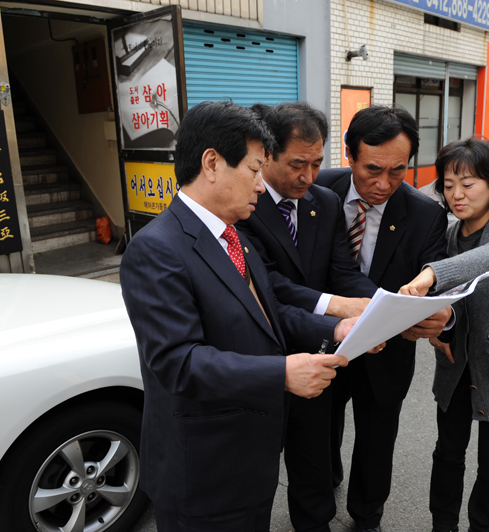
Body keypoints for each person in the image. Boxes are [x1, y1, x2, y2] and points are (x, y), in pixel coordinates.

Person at [120, 101, 358, 532]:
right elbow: (179, 361)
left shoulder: (233, 237)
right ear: (212, 163)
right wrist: (282, 373)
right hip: (204, 471)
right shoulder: (157, 249)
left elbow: (270, 315)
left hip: (250, 459)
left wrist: (336, 326)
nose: (260, 186)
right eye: (253, 170)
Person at [236, 101, 378, 532]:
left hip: (317, 360)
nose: (309, 177)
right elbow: (268, 283)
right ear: (267, 156)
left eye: (317, 163)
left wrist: (381, 305)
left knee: (314, 468)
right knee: (253, 474)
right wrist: (334, 308)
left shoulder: (325, 203)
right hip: (264, 359)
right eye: (298, 164)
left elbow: (343, 272)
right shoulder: (243, 205)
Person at [399, 137, 489, 532]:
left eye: (468, 183)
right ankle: (442, 525)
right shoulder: (448, 235)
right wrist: (439, 325)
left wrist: (432, 272)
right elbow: (453, 304)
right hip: (455, 364)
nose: (456, 195)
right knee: (447, 454)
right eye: (448, 185)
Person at [316, 105, 451, 532]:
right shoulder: (320, 190)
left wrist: (441, 315)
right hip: (324, 341)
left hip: (387, 350)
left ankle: (366, 515)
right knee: (319, 432)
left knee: (376, 442)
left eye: (398, 171)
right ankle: (324, 488)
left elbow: (438, 279)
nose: (384, 183)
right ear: (350, 154)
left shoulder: (426, 213)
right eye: (373, 169)